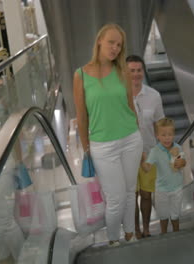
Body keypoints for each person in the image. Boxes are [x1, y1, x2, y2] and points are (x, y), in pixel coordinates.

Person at [73, 23, 143, 246]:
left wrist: (140, 136)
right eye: (111, 42)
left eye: (119, 45)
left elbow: (131, 107)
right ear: (100, 41)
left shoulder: (122, 71)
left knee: (131, 192)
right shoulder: (81, 75)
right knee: (116, 199)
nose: (115, 48)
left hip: (131, 139)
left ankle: (130, 235)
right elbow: (81, 117)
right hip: (103, 146)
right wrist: (86, 149)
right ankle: (113, 240)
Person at [126, 54, 165, 239]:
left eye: (138, 70)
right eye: (131, 71)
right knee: (131, 196)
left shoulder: (154, 96)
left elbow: (160, 124)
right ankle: (136, 229)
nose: (135, 74)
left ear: (143, 72)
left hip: (149, 153)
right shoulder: (118, 97)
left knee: (147, 194)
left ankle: (147, 228)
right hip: (126, 156)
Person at [141, 118, 186, 234]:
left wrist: (182, 163)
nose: (167, 138)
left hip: (177, 188)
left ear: (174, 134)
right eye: (163, 135)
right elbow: (147, 168)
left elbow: (182, 163)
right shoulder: (155, 151)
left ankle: (176, 233)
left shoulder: (178, 148)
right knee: (163, 216)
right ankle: (164, 234)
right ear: (157, 136)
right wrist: (143, 161)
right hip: (161, 190)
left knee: (175, 215)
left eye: (170, 134)